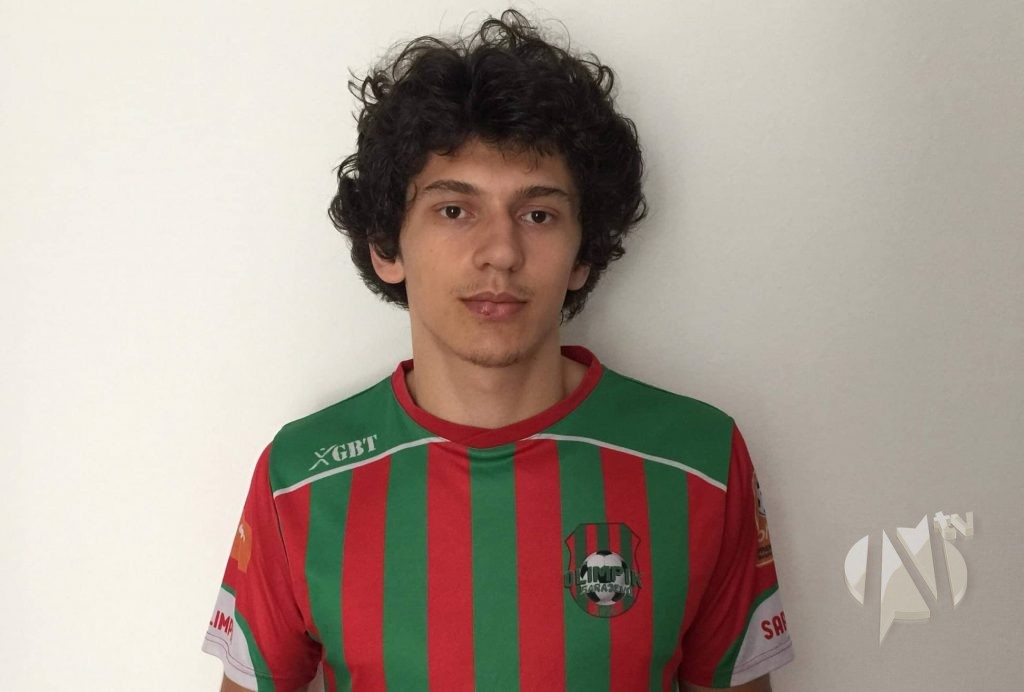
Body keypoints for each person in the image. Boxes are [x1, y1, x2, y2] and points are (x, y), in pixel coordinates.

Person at [202, 9, 794, 691]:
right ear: (387, 246)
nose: (502, 252)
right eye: (455, 210)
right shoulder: (300, 478)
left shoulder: (699, 461)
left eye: (538, 214)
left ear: (582, 253)